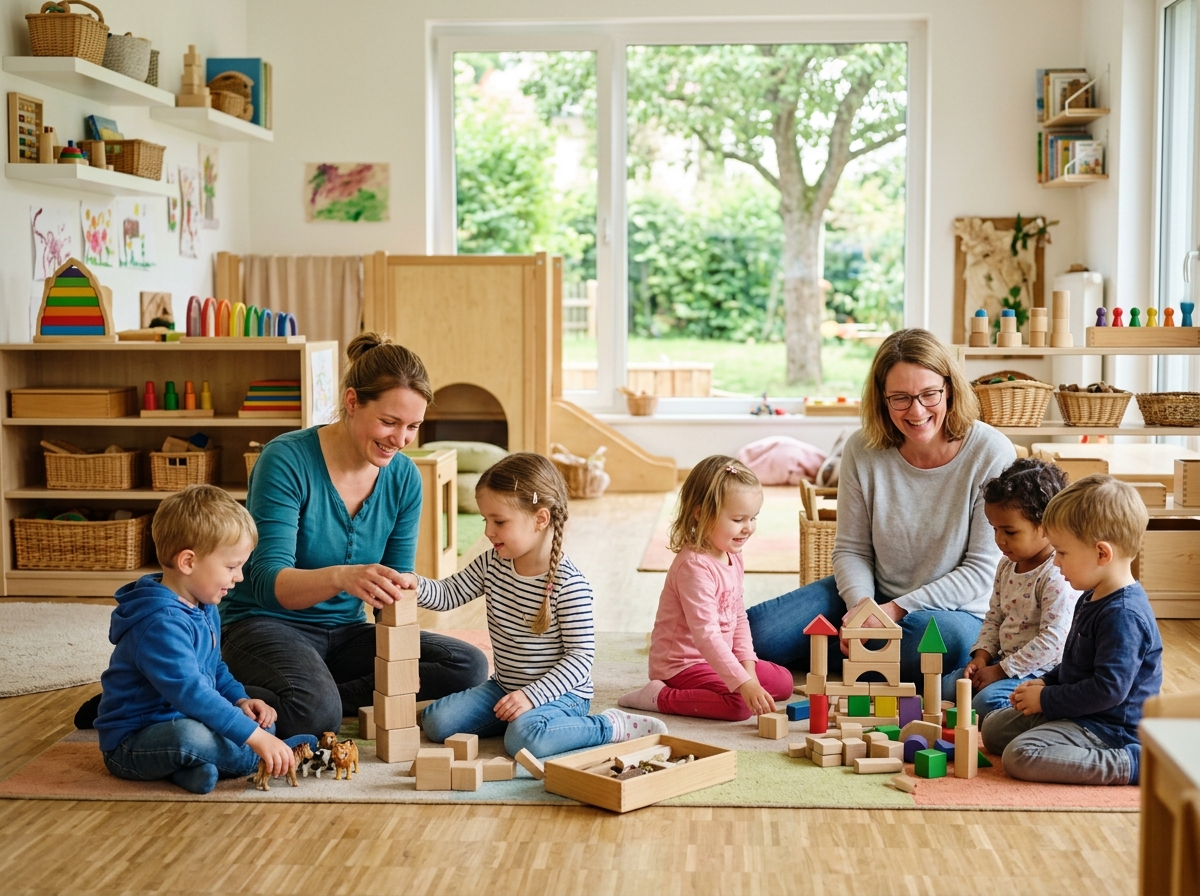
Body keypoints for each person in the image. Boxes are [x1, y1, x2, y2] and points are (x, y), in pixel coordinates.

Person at [219, 333, 489, 737]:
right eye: (389, 422)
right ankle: (233, 692)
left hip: (343, 635)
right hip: (263, 624)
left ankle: (312, 694)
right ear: (351, 402)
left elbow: (393, 590)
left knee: (466, 664)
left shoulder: (403, 478)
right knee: (316, 714)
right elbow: (266, 584)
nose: (400, 440)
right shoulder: (286, 459)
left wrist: (398, 657)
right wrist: (343, 576)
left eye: (413, 426)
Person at [747, 328, 1015, 682]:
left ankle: (839, 655)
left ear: (949, 388)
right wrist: (861, 608)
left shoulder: (991, 452)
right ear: (881, 399)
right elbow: (851, 549)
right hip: (873, 596)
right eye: (900, 398)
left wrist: (895, 611)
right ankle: (867, 659)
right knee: (757, 633)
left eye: (929, 394)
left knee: (939, 641)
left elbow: (981, 571)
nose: (916, 411)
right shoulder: (862, 449)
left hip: (952, 610)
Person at [399, 453, 667, 758]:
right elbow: (448, 594)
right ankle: (518, 718)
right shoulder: (492, 564)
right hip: (504, 687)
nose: (488, 531)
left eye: (499, 521)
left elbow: (580, 659)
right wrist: (414, 583)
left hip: (563, 695)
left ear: (540, 519)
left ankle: (609, 726)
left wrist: (532, 695)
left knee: (523, 740)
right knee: (437, 722)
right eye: (486, 520)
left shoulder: (570, 585)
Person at [96, 485, 316, 794]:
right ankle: (259, 758)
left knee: (261, 721)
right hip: (133, 742)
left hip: (185, 718)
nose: (239, 577)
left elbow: (214, 669)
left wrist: (240, 700)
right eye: (231, 567)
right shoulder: (160, 623)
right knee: (192, 738)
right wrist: (257, 738)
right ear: (188, 562)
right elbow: (193, 693)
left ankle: (192, 769)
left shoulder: (205, 605)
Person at [982, 474, 1161, 786]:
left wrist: (1047, 699)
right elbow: (1076, 664)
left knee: (1020, 755)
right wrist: (1043, 681)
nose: (1057, 563)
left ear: (1102, 553)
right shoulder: (1092, 594)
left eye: (1062, 553)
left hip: (1109, 728)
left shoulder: (1123, 615)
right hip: (1080, 711)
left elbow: (1107, 690)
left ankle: (1133, 763)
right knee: (993, 729)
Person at [619, 456, 794, 720]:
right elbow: (707, 636)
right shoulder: (694, 566)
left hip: (716, 660)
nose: (748, 528)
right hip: (681, 666)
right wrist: (743, 683)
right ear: (700, 513)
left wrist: (748, 670)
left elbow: (738, 617)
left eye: (753, 518)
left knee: (784, 683)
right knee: (740, 705)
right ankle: (657, 696)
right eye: (738, 519)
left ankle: (737, 681)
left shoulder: (732, 553)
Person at [943, 457, 1079, 722]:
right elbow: (994, 616)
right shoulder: (1007, 565)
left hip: (1040, 673)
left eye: (1010, 531)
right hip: (1003, 664)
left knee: (985, 701)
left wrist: (1001, 671)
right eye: (995, 529)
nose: (999, 539)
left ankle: (1024, 717)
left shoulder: (1056, 573)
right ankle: (967, 715)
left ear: (1046, 525)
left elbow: (1054, 641)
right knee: (949, 685)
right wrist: (982, 657)